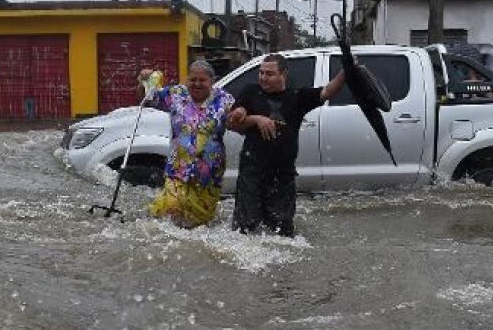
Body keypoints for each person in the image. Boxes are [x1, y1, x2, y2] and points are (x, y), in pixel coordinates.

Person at [227, 53, 347, 237]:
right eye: (261, 73)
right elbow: (232, 123)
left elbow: (327, 92)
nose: (263, 78)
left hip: (283, 174)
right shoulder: (250, 92)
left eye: (269, 74)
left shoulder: (297, 97)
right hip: (251, 171)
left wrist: (347, 71)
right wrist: (256, 119)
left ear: (284, 74)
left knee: (282, 232)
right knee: (245, 229)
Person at [139, 60, 235, 229]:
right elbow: (149, 98)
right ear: (187, 79)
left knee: (201, 221)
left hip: (208, 173)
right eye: (193, 79)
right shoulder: (175, 94)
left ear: (212, 81)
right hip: (178, 169)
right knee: (170, 208)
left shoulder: (225, 100)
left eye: (202, 80)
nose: (197, 84)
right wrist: (146, 79)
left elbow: (240, 119)